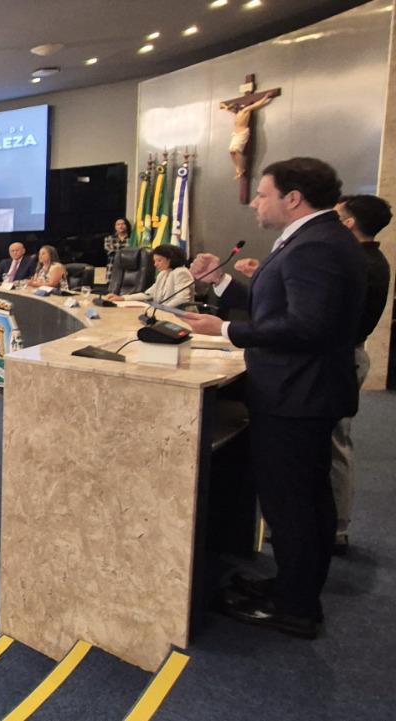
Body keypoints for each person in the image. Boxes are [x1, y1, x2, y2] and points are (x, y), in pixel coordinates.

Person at [181, 158, 368, 639]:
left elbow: (307, 326)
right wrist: (222, 285)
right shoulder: (320, 239)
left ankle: (296, 607)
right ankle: (292, 585)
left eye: (262, 194)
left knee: (294, 503)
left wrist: (224, 329)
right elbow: (283, 304)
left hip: (297, 394)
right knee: (301, 499)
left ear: (293, 198)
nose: (254, 202)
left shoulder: (315, 246)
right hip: (299, 390)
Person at [324, 194, 391, 552]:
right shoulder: (369, 258)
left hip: (343, 359)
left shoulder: (360, 264)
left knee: (335, 444)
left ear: (349, 223)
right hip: (348, 355)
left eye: (336, 216)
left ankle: (336, 528)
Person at [106, 245, 191, 304]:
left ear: (170, 260)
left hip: (181, 316)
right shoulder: (163, 274)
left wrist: (161, 309)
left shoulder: (181, 272)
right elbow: (148, 295)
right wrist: (123, 298)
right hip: (164, 313)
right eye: (154, 261)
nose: (155, 264)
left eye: (159, 260)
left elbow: (182, 299)